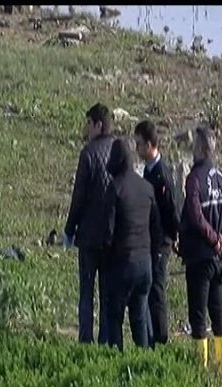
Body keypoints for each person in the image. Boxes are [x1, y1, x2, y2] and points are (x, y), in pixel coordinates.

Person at [178, 125, 222, 385]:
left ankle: (201, 374)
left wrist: (214, 239)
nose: (191, 150)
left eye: (194, 146)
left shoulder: (194, 178)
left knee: (198, 316)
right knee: (219, 314)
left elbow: (194, 213)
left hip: (201, 258)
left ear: (202, 149)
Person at [103, 138, 161, 351]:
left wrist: (105, 258)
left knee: (114, 318)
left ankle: (116, 364)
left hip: (121, 264)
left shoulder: (115, 189)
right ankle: (143, 366)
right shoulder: (146, 188)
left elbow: (108, 231)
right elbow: (156, 227)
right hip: (144, 264)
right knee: (139, 320)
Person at [64, 103, 114, 344]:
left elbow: (79, 196)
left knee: (86, 291)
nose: (86, 128)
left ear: (98, 125)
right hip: (111, 236)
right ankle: (105, 339)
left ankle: (85, 340)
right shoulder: (118, 150)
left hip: (88, 236)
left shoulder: (88, 153)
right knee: (106, 292)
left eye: (88, 123)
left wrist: (69, 229)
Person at [134, 120, 180, 347]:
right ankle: (153, 335)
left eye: (140, 144)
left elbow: (171, 209)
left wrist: (173, 237)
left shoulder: (162, 174)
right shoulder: (149, 171)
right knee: (151, 288)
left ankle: (161, 339)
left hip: (161, 240)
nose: (137, 149)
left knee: (157, 289)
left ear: (151, 145)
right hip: (151, 239)